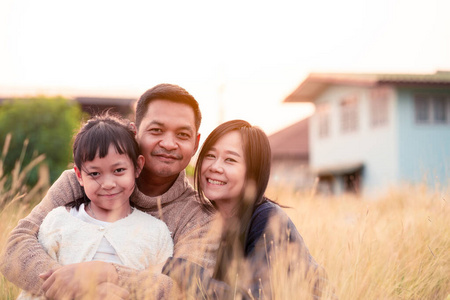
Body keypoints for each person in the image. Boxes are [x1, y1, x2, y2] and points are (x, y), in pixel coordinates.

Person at [0, 84, 217, 299]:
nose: (169, 143)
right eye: (156, 130)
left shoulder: (198, 215)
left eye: (182, 134)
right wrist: (82, 291)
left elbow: (188, 291)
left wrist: (106, 273)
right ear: (135, 132)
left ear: (196, 143)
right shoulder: (80, 182)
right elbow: (15, 249)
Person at [163, 120, 331, 299]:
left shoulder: (267, 220)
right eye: (210, 156)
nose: (215, 167)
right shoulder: (204, 218)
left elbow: (254, 297)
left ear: (252, 172)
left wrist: (183, 271)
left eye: (230, 160)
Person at [18, 113, 174, 299]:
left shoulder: (155, 232)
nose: (108, 183)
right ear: (78, 176)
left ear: (138, 167)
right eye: (94, 173)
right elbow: (32, 292)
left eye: (118, 170)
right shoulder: (58, 221)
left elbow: (164, 289)